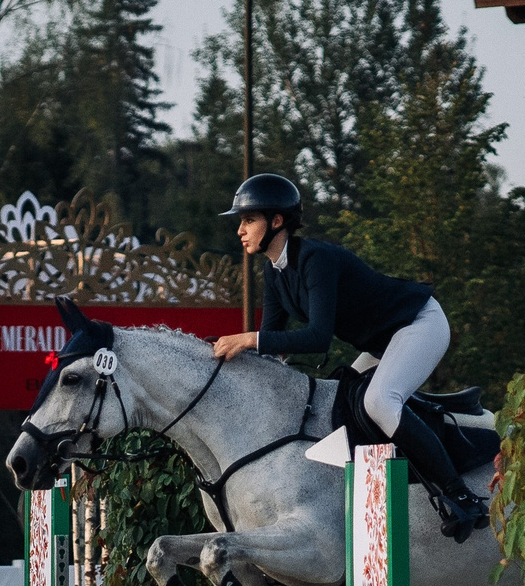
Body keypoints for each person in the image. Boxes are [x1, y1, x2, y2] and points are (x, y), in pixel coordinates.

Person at [210, 173, 490, 543]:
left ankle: (461, 495)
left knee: (378, 401)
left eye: (248, 220)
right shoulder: (274, 271)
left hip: (419, 323)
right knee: (338, 402)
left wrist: (248, 339)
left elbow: (317, 339)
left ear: (276, 221)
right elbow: (274, 344)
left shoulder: (315, 259)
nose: (240, 231)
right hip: (384, 342)